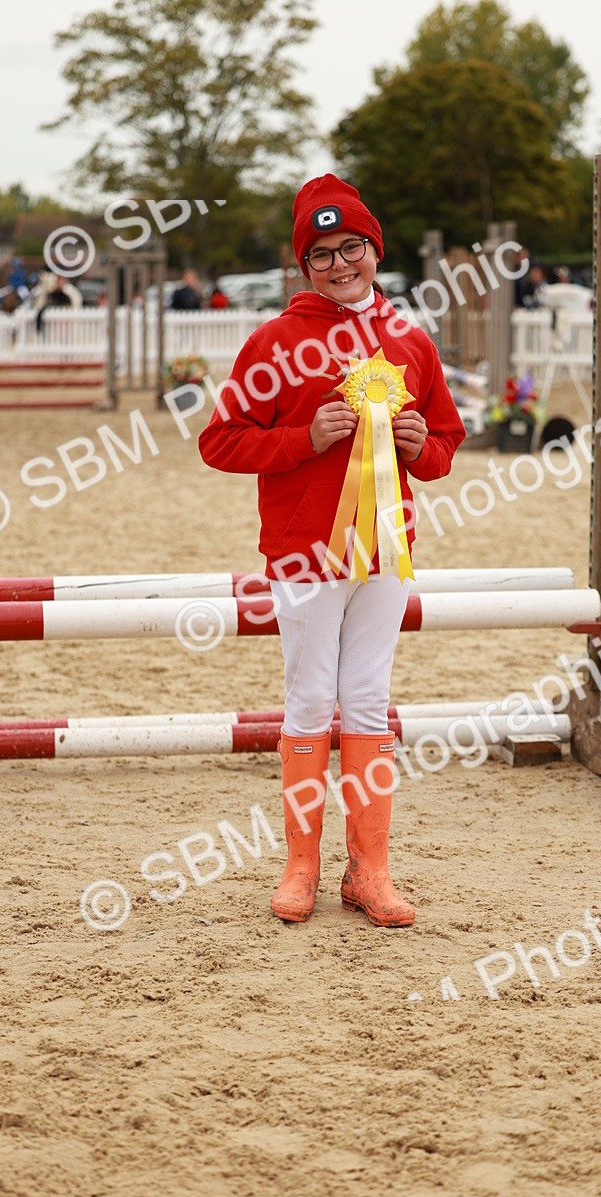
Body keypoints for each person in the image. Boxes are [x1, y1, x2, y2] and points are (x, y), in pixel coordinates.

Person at [198, 176, 465, 928]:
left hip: (384, 549)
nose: (340, 263)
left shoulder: (411, 339)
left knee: (371, 703)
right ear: (303, 264)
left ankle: (370, 872)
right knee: (313, 699)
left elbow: (445, 438)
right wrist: (298, 441)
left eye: (352, 246)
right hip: (303, 552)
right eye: (321, 253)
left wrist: (420, 448)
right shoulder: (273, 342)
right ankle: (301, 866)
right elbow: (218, 441)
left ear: (374, 249)